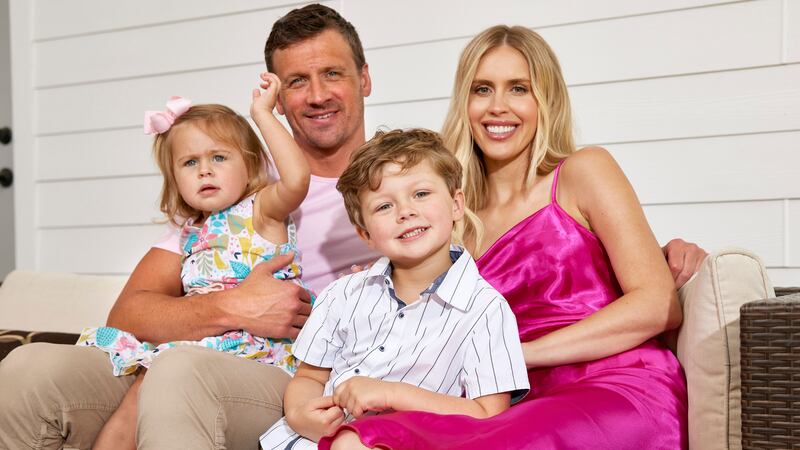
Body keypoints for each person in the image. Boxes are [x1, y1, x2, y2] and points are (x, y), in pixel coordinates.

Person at [0, 5, 703, 449]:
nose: (316, 95)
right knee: (28, 367)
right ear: (271, 94)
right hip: (253, 350)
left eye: (331, 74)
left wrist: (664, 247)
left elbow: (571, 252)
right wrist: (229, 306)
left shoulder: (413, 188)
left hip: (308, 372)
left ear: (364, 78)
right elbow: (131, 310)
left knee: (182, 375)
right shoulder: (240, 192)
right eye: (295, 82)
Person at [319, 25, 689, 450]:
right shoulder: (448, 216)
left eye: (518, 89)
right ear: (465, 102)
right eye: (482, 90)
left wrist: (520, 355)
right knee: (364, 438)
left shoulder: (583, 172)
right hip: (501, 400)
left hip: (612, 387)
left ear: (544, 100)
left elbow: (659, 305)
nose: (498, 107)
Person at [260, 129, 529, 450]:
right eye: (384, 206)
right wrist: (300, 414)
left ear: (456, 204)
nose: (405, 211)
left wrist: (391, 393)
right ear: (365, 234)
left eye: (421, 194)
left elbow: (488, 415)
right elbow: (309, 377)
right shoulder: (342, 294)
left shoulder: (485, 310)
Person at [84, 72, 311, 449]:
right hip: (202, 342)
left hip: (256, 352)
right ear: (175, 180)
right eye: (189, 163)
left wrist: (263, 114)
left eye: (219, 157)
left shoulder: (262, 211)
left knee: (155, 381)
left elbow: (297, 177)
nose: (204, 169)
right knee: (138, 391)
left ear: (251, 165)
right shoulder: (189, 231)